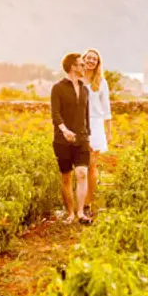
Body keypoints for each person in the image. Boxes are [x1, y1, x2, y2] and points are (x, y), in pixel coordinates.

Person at [50, 52, 93, 225]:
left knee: (82, 173)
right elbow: (55, 114)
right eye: (81, 64)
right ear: (73, 67)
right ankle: (70, 213)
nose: (84, 67)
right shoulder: (58, 88)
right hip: (62, 140)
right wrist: (64, 130)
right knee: (66, 177)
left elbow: (86, 115)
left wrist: (88, 136)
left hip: (82, 138)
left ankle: (81, 213)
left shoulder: (85, 89)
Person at [82, 48, 112, 212]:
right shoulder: (77, 79)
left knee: (91, 165)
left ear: (97, 63)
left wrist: (108, 131)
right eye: (89, 58)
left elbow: (106, 109)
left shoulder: (101, 82)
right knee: (80, 166)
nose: (91, 61)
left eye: (95, 59)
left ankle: (88, 202)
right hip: (78, 124)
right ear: (84, 59)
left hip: (95, 124)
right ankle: (80, 199)